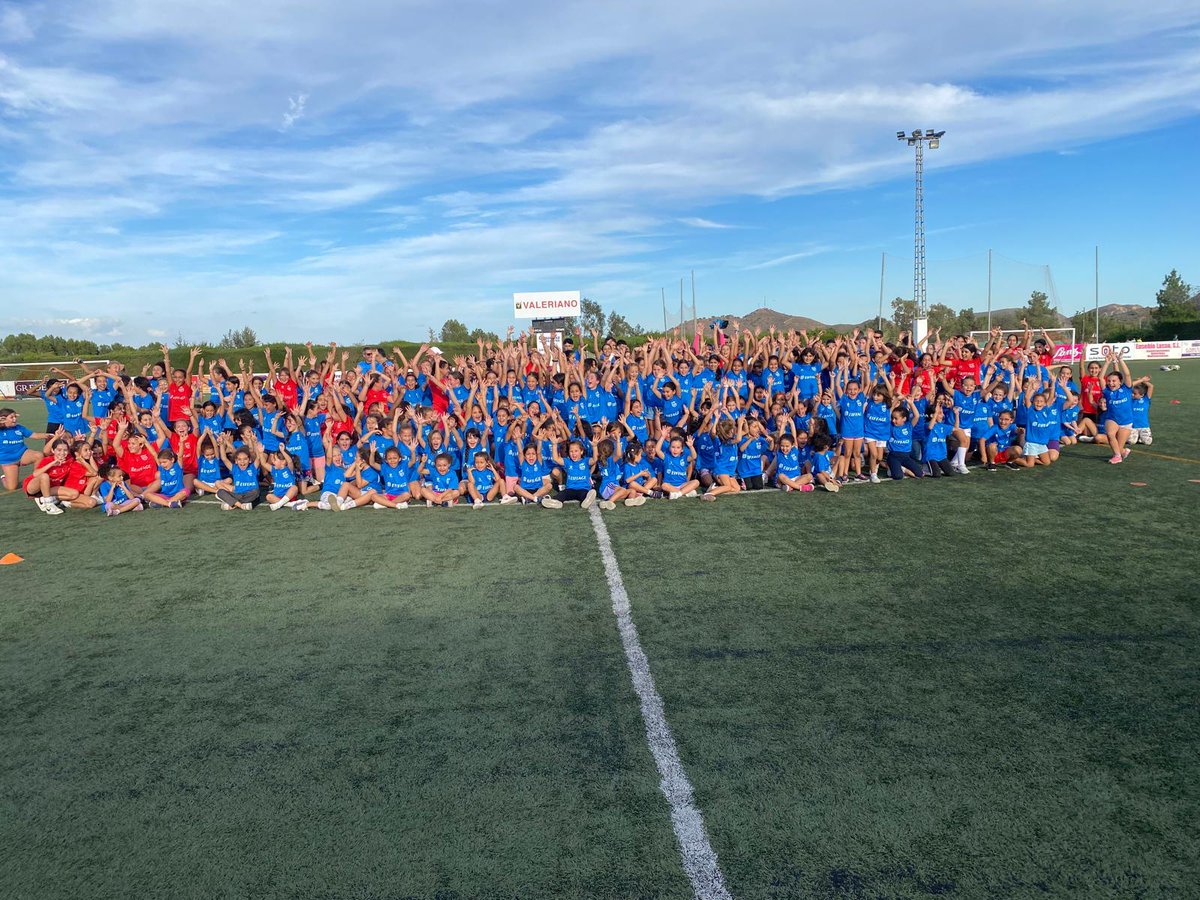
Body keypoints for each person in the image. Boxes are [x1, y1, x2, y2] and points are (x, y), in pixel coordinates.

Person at [1, 408, 59, 491]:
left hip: (22, 454)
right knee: (12, 487)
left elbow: (34, 435)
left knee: (38, 455)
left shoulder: (19, 428)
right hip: (8, 461)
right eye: (12, 417)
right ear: (3, 419)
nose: (15, 419)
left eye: (15, 417)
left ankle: (36, 479)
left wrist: (49, 435)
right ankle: (4, 478)